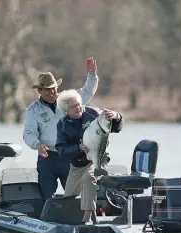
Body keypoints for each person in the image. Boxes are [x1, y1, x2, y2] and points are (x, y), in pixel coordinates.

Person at [23, 58, 99, 202]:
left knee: (74, 197)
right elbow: (28, 133)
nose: (52, 92)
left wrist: (92, 74)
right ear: (40, 90)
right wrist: (37, 145)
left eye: (54, 88)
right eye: (47, 89)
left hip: (70, 154)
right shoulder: (32, 110)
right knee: (47, 198)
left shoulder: (67, 100)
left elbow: (87, 92)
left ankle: (77, 222)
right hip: (47, 158)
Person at [55, 89, 124, 224]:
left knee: (89, 178)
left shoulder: (93, 114)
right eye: (73, 106)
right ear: (66, 111)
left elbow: (115, 127)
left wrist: (116, 116)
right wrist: (78, 148)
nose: (78, 107)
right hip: (77, 163)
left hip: (98, 157)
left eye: (79, 104)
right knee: (69, 195)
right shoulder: (62, 125)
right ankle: (90, 217)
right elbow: (61, 149)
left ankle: (87, 217)